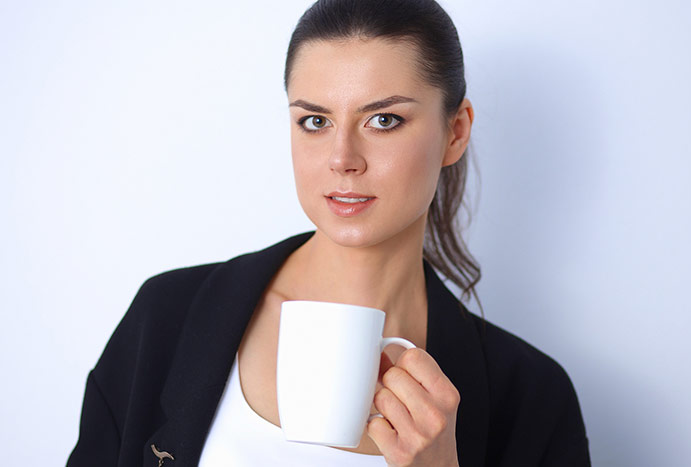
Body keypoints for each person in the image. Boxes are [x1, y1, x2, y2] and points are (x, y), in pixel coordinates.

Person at [67, 0, 591, 466]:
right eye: (315, 122)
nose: (343, 159)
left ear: (455, 131)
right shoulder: (168, 317)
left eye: (383, 120)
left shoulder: (533, 398)